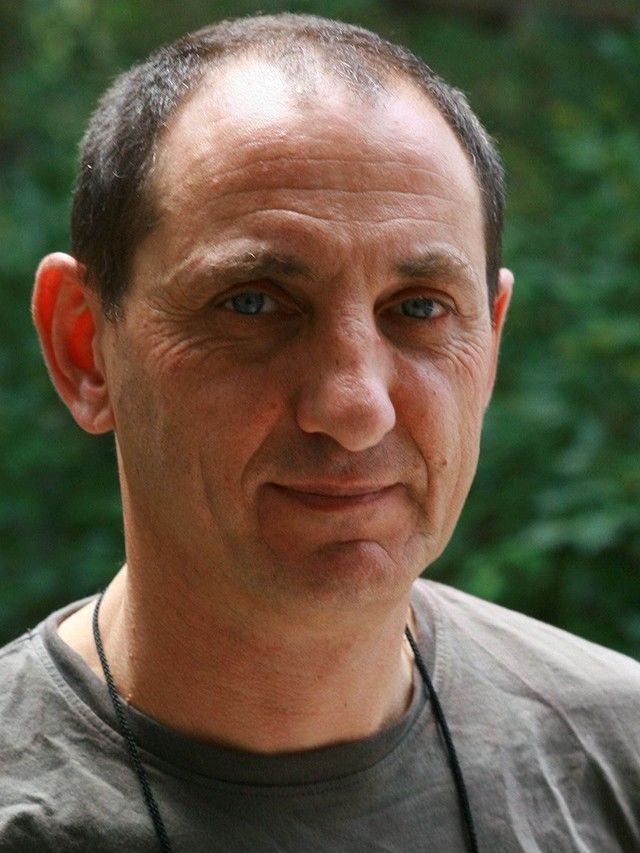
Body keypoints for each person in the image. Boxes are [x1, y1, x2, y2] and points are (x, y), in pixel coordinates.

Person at [1, 12, 638, 852]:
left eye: (418, 309)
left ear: (490, 345)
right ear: (86, 348)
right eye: (253, 303)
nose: (354, 405)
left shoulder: (618, 760)